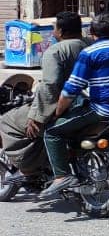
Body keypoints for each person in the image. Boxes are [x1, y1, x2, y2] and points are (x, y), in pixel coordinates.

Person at [39, 13, 109, 199]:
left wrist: (58, 112)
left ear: (92, 33)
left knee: (52, 132)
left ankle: (62, 176)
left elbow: (71, 90)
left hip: (105, 111)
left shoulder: (89, 53)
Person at [0, 12, 90, 187]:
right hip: (86, 103)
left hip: (64, 104)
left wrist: (37, 116)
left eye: (54, 28)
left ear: (61, 31)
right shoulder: (89, 45)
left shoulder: (56, 51)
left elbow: (50, 85)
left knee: (8, 122)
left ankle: (28, 169)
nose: (53, 32)